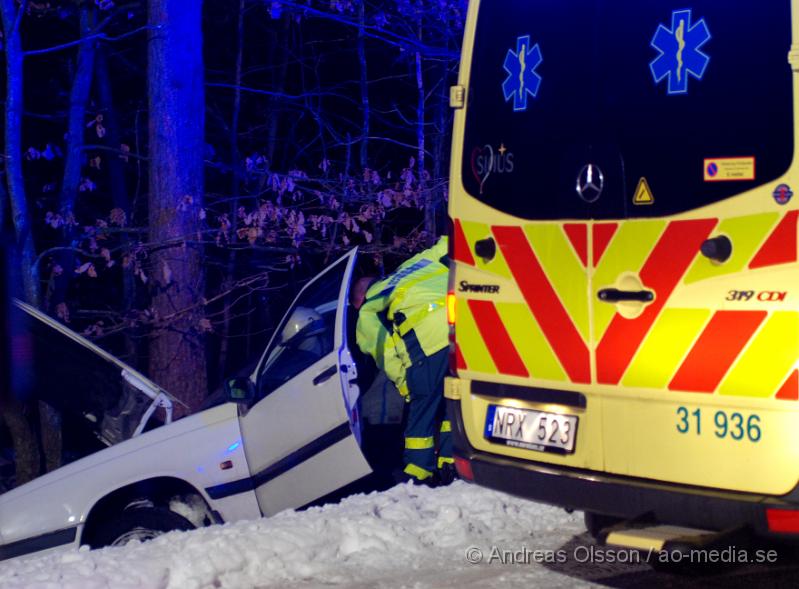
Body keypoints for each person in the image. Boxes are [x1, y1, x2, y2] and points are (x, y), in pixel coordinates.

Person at [352, 236, 454, 486]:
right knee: (451, 403)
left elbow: (384, 351)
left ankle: (418, 474)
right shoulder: (415, 264)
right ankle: (450, 465)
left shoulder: (370, 304)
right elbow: (447, 244)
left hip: (430, 345)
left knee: (422, 412)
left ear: (361, 297)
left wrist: (406, 384)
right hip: (464, 329)